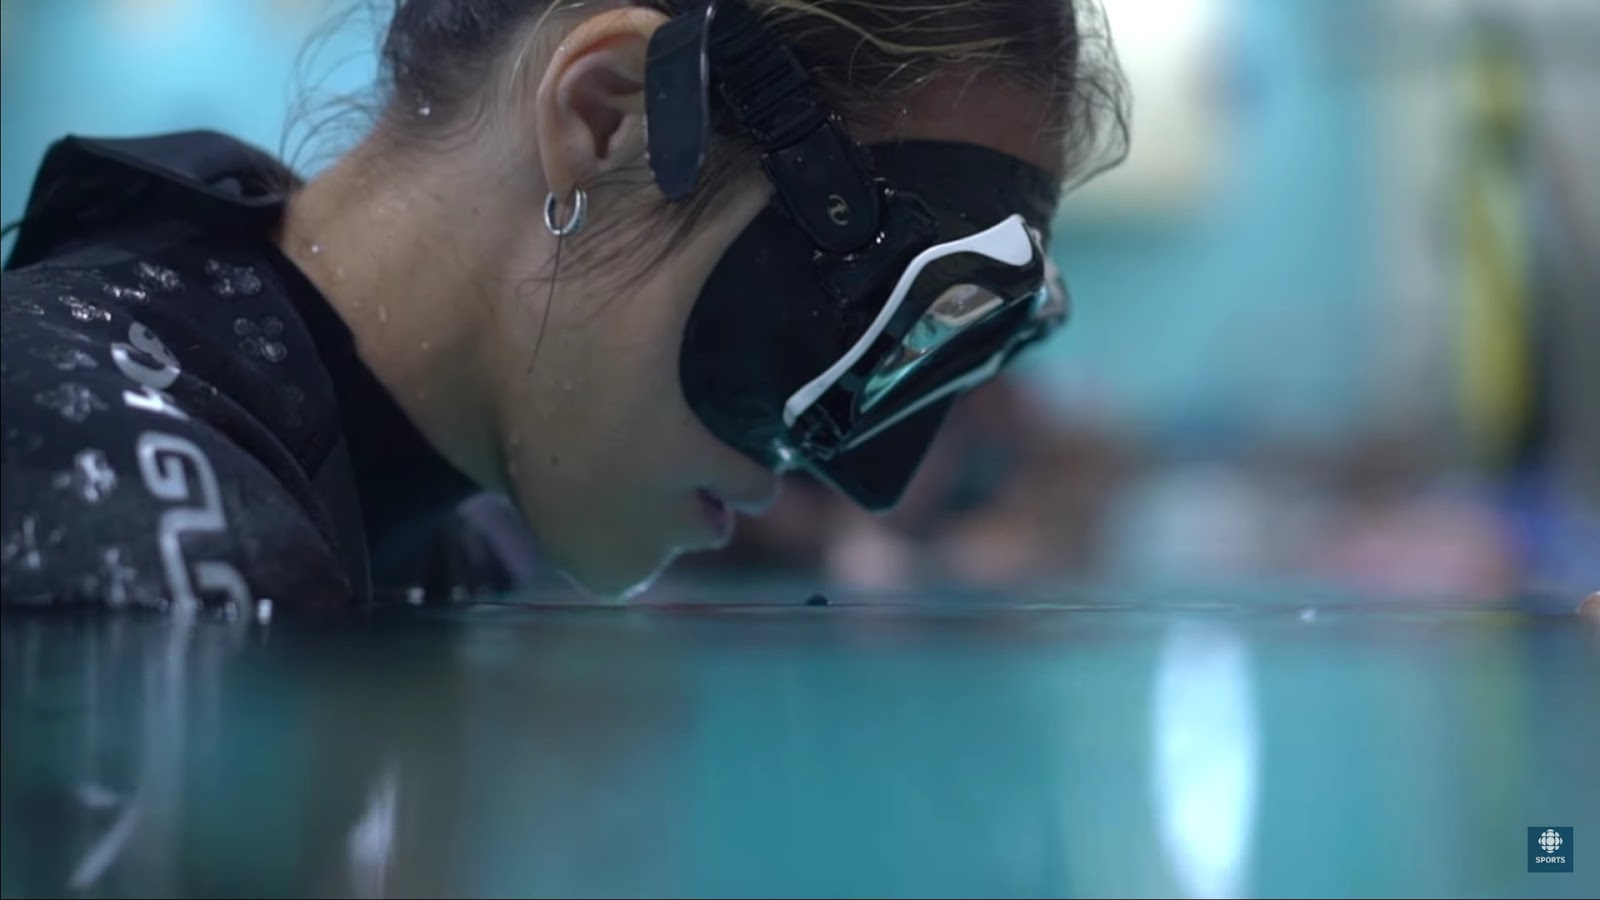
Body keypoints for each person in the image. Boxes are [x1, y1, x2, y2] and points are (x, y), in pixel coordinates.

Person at [0, 0, 1128, 613]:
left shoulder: (447, 551)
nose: (858, 475)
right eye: (867, 307)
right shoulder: (124, 525)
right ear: (612, 118)